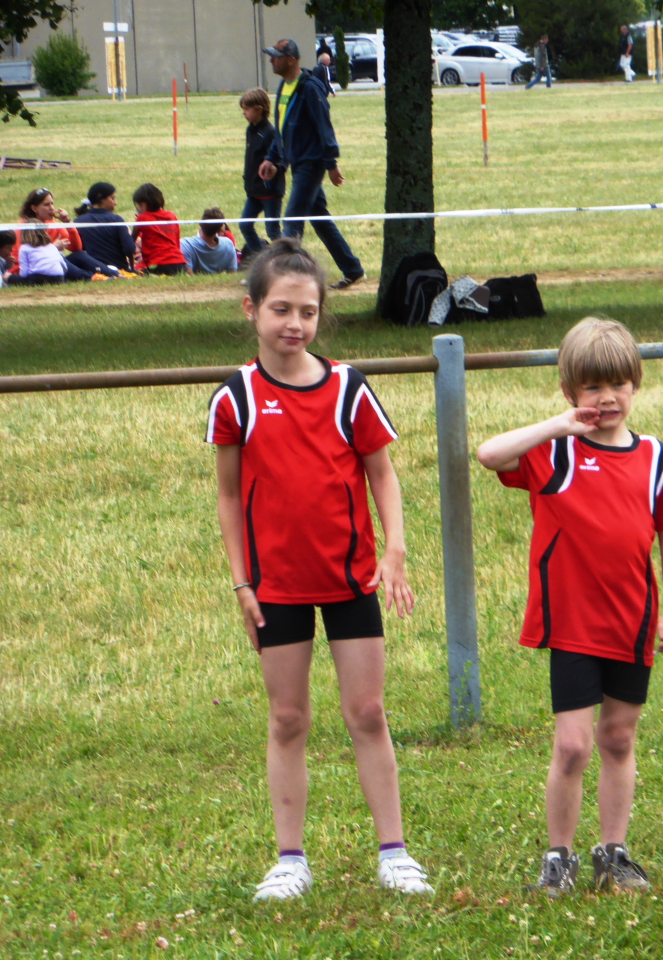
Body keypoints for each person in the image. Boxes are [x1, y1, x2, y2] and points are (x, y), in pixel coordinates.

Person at [206, 238, 434, 902]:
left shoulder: (347, 389)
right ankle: (289, 860)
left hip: (350, 580)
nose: (295, 324)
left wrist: (394, 550)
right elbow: (228, 496)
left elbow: (382, 474)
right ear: (251, 310)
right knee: (287, 718)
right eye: (281, 309)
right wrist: (242, 582)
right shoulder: (237, 398)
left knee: (367, 711)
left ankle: (394, 853)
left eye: (307, 312)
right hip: (275, 587)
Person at [475, 317, 663, 897]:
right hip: (572, 624)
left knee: (618, 738)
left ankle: (613, 853)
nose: (608, 397)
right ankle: (559, 857)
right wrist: (558, 424)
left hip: (632, 621)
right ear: (571, 392)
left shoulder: (655, 457)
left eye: (618, 383)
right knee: (572, 745)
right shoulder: (555, 453)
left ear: (636, 384)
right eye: (593, 387)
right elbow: (489, 454)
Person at [259, 38, 365, 290]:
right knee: (320, 219)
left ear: (291, 60)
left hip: (311, 163)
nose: (271, 60)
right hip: (297, 162)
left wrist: (331, 163)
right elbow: (282, 128)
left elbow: (324, 127)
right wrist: (272, 157)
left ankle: (284, 277)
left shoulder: (309, 88)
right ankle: (352, 268)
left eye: (276, 56)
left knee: (292, 221)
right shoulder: (284, 87)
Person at [10, 187, 115, 279]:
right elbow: (24, 256)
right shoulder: (25, 227)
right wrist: (53, 248)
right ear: (34, 208)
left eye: (52, 203)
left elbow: (76, 248)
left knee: (79, 255)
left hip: (51, 266)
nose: (52, 208)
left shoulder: (52, 224)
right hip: (33, 271)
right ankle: (91, 278)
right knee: (59, 257)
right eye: (46, 205)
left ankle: (115, 274)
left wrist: (67, 223)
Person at [239, 88, 286, 259]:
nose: (243, 113)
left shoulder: (271, 133)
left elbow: (282, 160)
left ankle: (286, 258)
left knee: (273, 231)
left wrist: (275, 169)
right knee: (245, 225)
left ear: (259, 109)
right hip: (254, 191)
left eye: (246, 109)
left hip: (270, 192)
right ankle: (262, 259)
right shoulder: (250, 130)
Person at [74, 181, 137, 275]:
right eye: (112, 198)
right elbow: (129, 249)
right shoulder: (117, 219)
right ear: (101, 199)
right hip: (120, 270)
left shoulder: (79, 221)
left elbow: (79, 250)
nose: (115, 203)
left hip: (94, 271)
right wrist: (132, 267)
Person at [131, 183, 189, 276]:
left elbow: (131, 241)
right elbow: (176, 241)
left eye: (140, 206)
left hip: (158, 265)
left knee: (133, 274)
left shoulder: (143, 218)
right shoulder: (172, 216)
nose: (138, 209)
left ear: (145, 204)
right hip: (180, 263)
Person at [17, 219, 83, 282]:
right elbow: (63, 265)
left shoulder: (24, 248)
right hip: (59, 278)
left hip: (38, 278)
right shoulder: (51, 246)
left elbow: (24, 273)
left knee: (12, 278)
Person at [183, 207, 240, 274]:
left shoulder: (186, 244)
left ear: (200, 224)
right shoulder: (228, 244)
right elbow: (232, 273)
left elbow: (189, 275)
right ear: (220, 230)